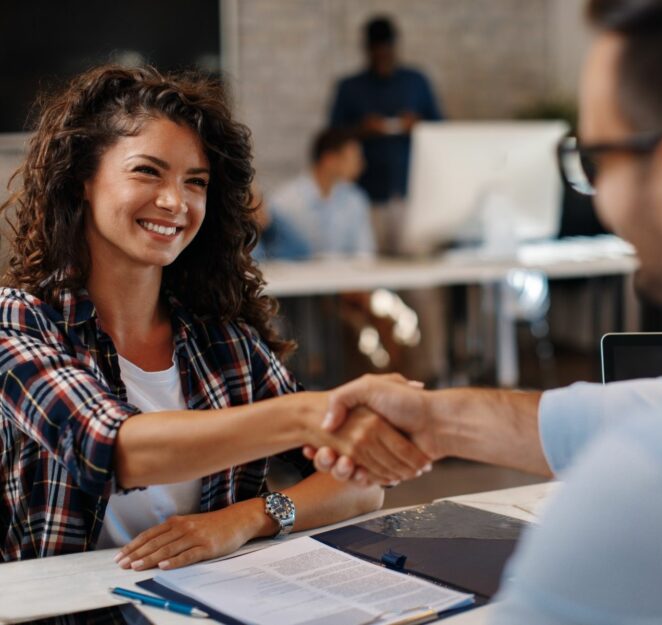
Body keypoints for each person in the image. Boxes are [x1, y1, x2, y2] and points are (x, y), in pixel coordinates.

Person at [309, 0, 662, 621]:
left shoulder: (660, 491)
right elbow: (655, 406)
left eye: (596, 160)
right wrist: (436, 420)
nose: (595, 191)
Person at [0, 65, 431, 567]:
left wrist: (247, 518)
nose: (175, 201)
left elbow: (360, 485)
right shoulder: (18, 321)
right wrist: (309, 416)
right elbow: (114, 449)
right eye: (147, 171)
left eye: (196, 181)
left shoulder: (223, 341)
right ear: (82, 182)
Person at [329, 15, 442, 252]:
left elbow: (442, 128)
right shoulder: (350, 87)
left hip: (411, 192)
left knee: (419, 275)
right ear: (367, 50)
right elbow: (331, 137)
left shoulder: (416, 81)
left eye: (386, 50)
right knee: (370, 270)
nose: (382, 56)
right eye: (376, 51)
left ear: (394, 47)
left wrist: (418, 124)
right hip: (367, 195)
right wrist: (363, 129)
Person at [257, 128, 375, 260]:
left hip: (347, 278)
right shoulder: (285, 201)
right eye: (354, 158)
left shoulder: (355, 199)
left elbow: (364, 254)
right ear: (329, 159)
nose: (361, 165)